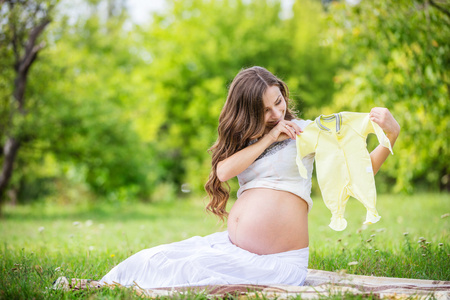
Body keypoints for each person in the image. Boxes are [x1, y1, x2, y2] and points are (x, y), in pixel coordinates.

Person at [99, 66, 400, 288]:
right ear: (246, 112)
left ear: (284, 94)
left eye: (279, 102)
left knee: (188, 273)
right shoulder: (248, 140)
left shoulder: (305, 132)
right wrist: (269, 138)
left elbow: (357, 174)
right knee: (152, 260)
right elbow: (223, 171)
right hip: (234, 249)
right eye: (265, 110)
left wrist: (390, 135)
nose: (277, 114)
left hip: (277, 264)